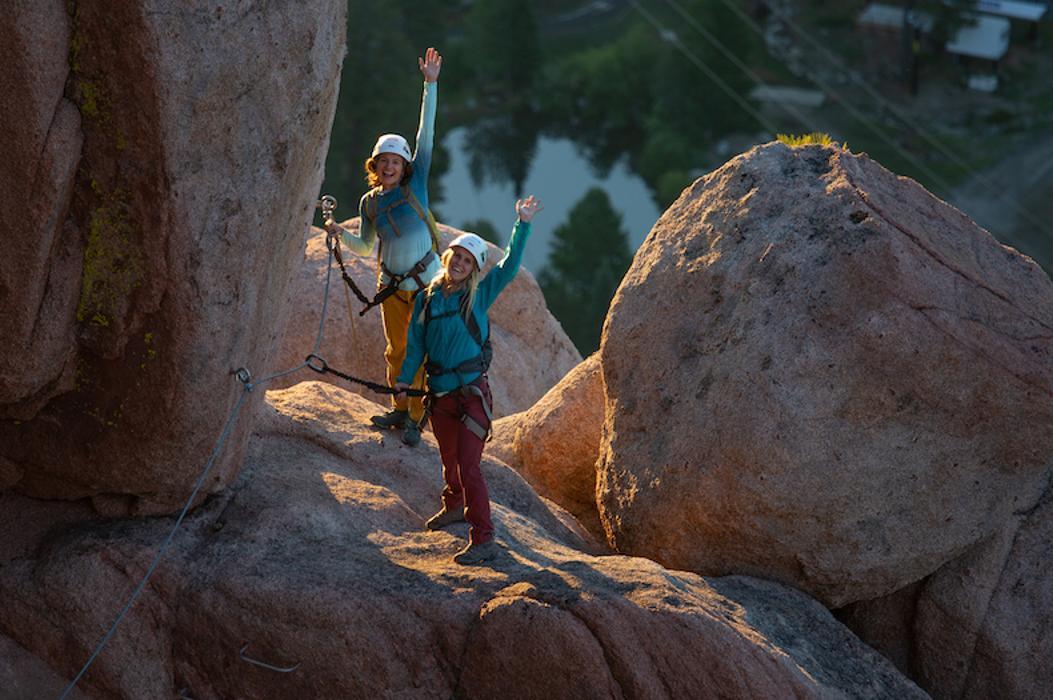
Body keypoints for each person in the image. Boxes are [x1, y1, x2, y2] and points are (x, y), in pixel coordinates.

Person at [395, 196, 544, 565]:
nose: (460, 263)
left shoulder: (478, 295)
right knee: (449, 460)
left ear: (475, 269)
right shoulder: (428, 299)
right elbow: (414, 345)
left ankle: (483, 537)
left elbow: (508, 267)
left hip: (471, 395)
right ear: (447, 259)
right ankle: (455, 505)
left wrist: (521, 224)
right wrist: (402, 380)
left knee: (470, 466)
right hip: (441, 394)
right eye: (456, 256)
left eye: (468, 260)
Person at [325, 47, 443, 447]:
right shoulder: (369, 203)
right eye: (382, 162)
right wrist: (340, 237)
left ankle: (415, 417)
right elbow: (365, 246)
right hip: (393, 286)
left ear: (405, 165)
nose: (389, 167)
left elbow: (425, 136)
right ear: (373, 167)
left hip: (425, 285)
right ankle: (400, 408)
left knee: (419, 354)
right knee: (396, 352)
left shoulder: (417, 187)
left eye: (395, 161)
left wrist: (430, 85)